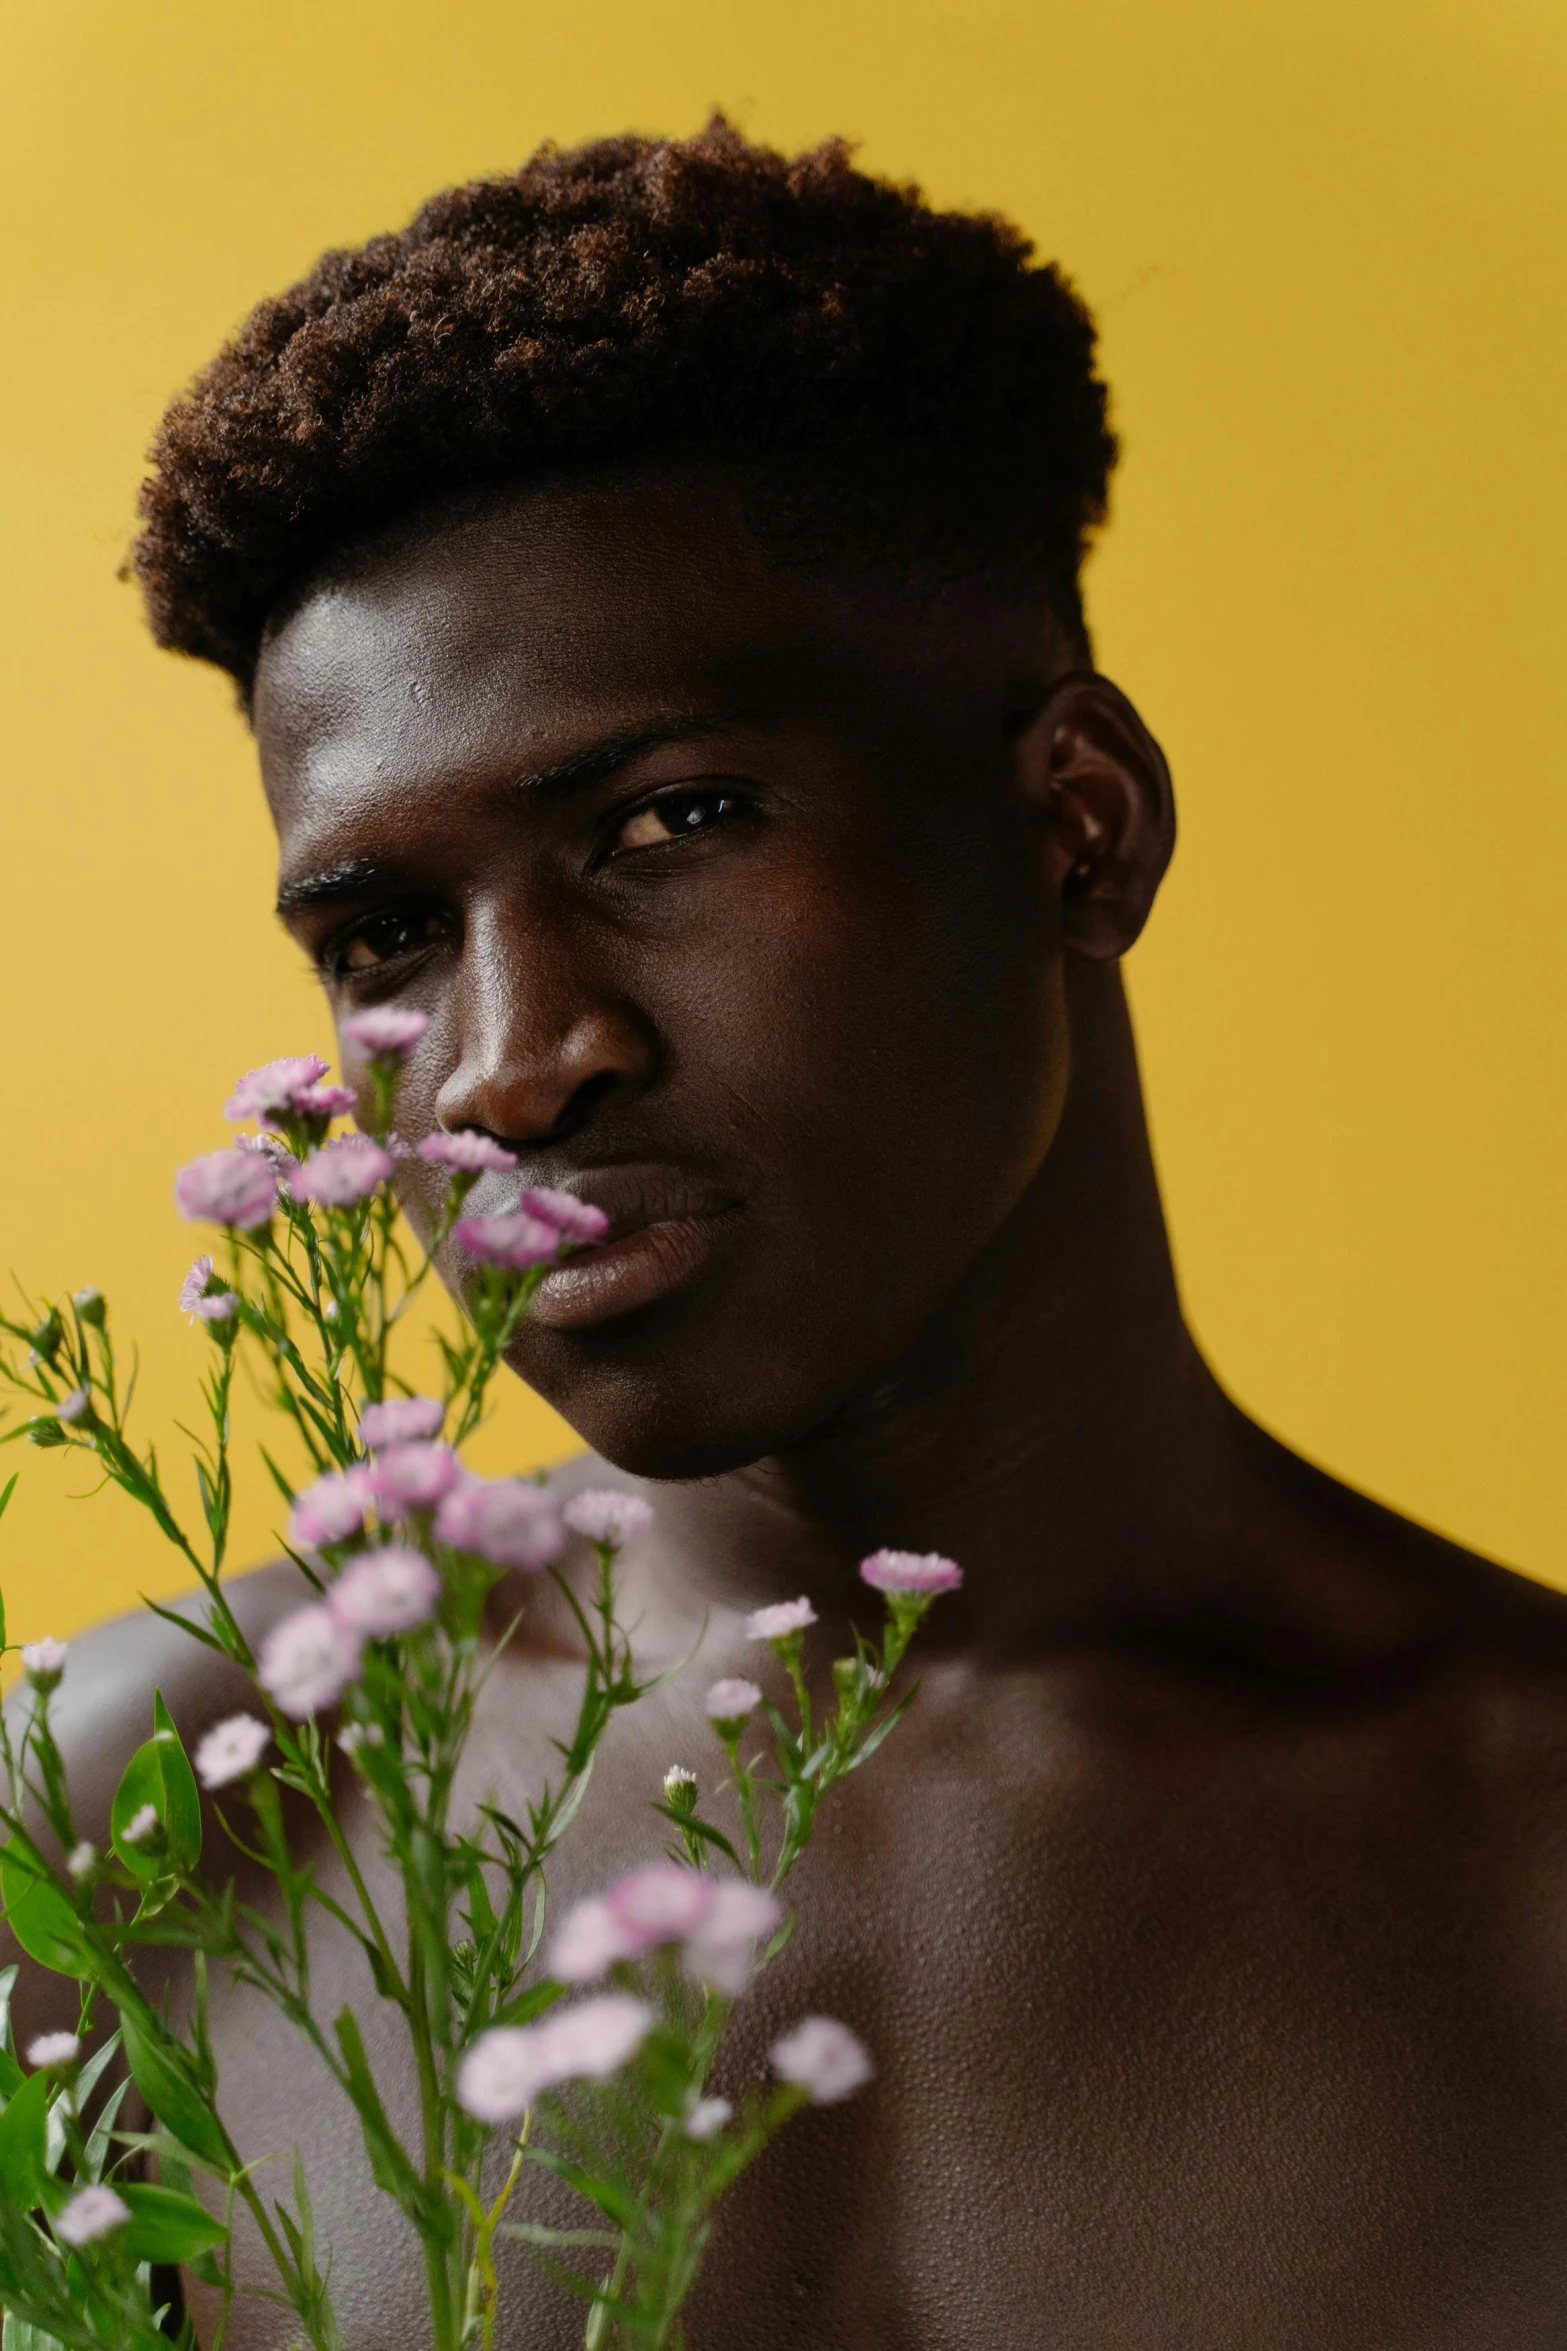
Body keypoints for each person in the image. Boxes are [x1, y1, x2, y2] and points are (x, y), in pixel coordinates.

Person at [14, 117, 1567, 2348]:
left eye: (672, 821)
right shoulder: (141, 1821)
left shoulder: (1528, 1873)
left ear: (1080, 826)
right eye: (378, 934)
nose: (502, 1062)